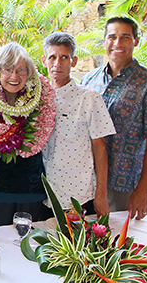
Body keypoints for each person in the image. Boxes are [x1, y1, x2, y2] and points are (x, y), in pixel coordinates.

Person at [81, 17, 147, 220]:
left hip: (122, 185)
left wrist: (143, 190)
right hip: (85, 181)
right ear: (104, 41)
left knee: (116, 242)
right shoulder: (89, 80)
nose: (117, 43)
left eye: (125, 37)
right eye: (112, 37)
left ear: (135, 41)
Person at [0, 42, 56, 226]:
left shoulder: (40, 94)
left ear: (29, 73)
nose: (14, 76)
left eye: (21, 70)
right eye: (8, 69)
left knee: (27, 245)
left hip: (31, 187)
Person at [40, 32, 115, 219]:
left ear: (73, 61)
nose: (57, 63)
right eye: (52, 57)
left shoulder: (89, 98)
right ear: (44, 61)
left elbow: (100, 148)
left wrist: (101, 194)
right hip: (43, 196)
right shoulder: (37, 99)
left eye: (64, 57)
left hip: (81, 196)